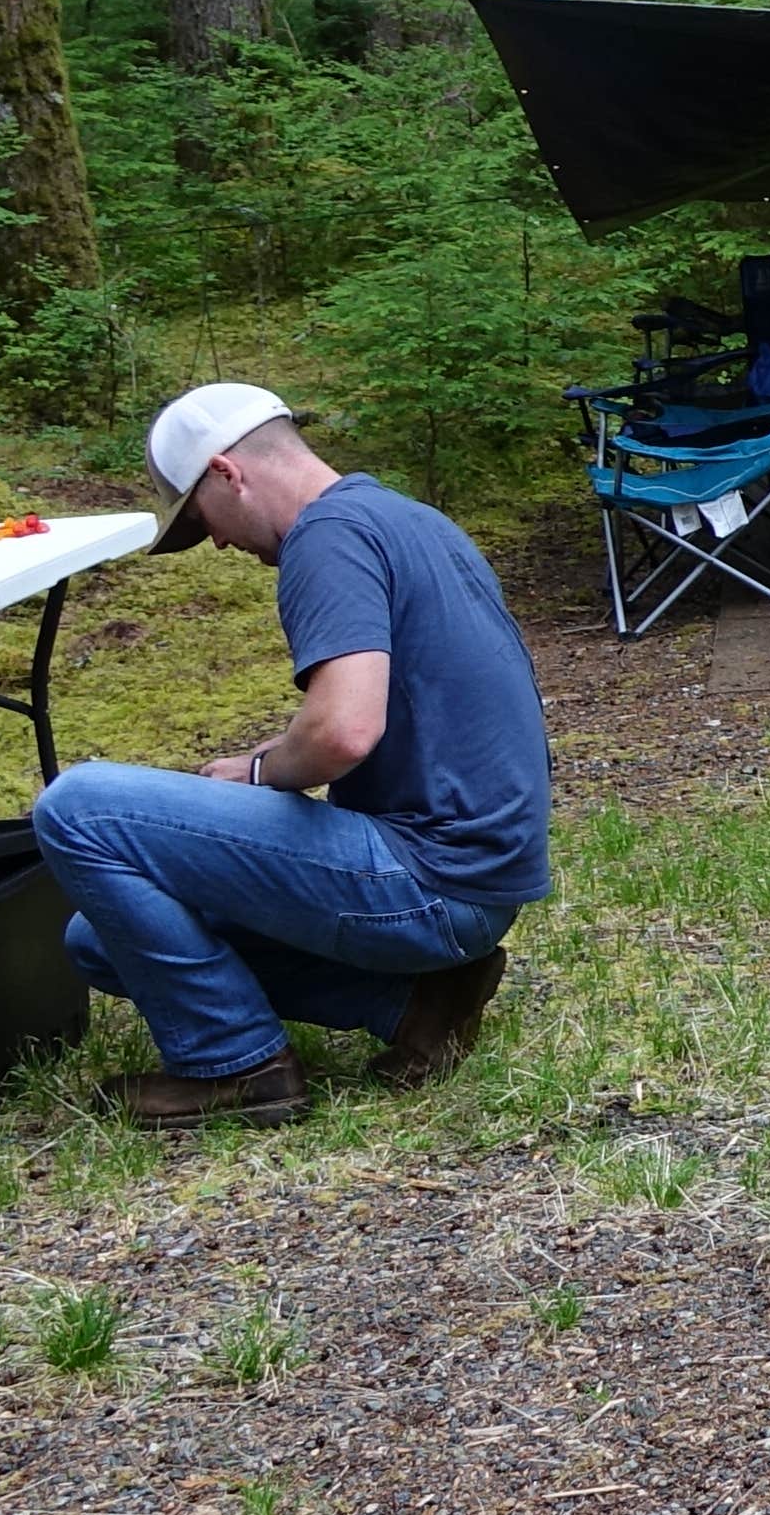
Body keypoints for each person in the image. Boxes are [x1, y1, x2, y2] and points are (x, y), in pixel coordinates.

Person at [33, 384, 551, 1127]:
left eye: (200, 518)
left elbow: (344, 731)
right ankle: (415, 1006)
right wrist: (266, 760)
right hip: (481, 879)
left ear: (225, 472)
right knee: (99, 941)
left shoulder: (326, 537)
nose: (214, 541)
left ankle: (236, 1067)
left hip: (430, 882)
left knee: (79, 809)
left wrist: (254, 774)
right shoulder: (403, 518)